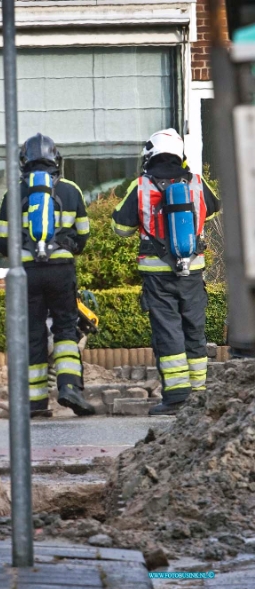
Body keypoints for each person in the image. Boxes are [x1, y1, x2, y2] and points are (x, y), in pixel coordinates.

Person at [112, 128, 220, 415]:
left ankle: (175, 397)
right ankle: (199, 394)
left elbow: (120, 229)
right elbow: (214, 208)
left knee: (168, 331)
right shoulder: (196, 182)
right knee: (194, 329)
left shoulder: (141, 186)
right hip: (192, 271)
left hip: (157, 274)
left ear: (150, 155)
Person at [0, 132, 95, 418]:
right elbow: (84, 235)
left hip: (28, 273)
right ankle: (69, 387)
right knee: (65, 328)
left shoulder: (14, 194)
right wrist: (66, 245)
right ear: (56, 160)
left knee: (33, 333)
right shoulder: (71, 191)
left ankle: (36, 402)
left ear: (23, 162)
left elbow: (1, 241)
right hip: (61, 270)